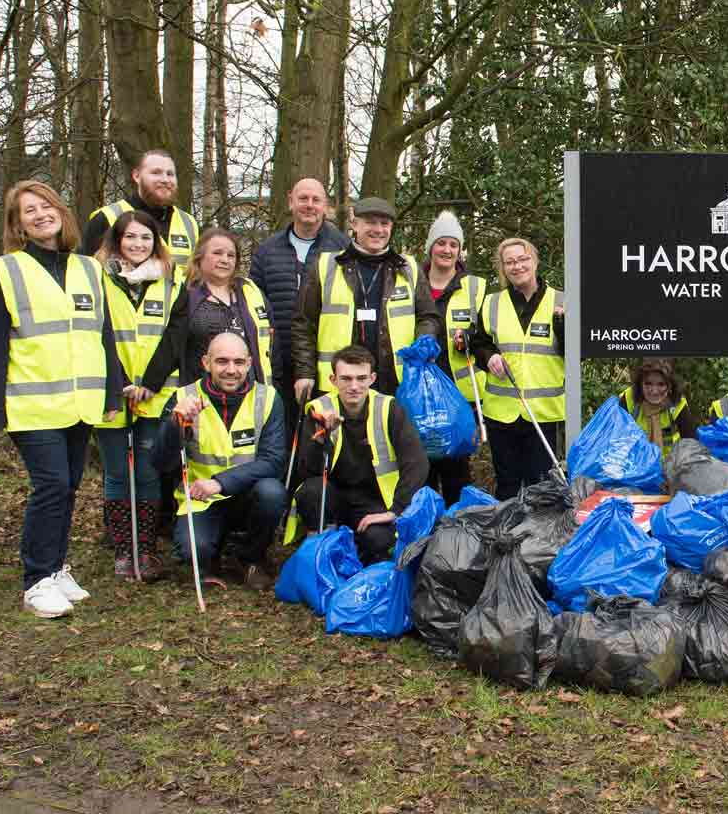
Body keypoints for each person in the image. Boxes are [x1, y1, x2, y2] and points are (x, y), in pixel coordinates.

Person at [0, 181, 125, 618]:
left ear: (61, 211)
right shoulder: (3, 272)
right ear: (17, 225)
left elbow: (104, 335)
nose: (41, 214)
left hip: (80, 403)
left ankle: (58, 567)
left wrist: (111, 391)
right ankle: (37, 579)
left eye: (47, 206)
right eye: (29, 210)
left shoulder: (88, 269)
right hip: (32, 404)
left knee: (70, 485)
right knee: (52, 486)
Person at [157, 333, 288, 590]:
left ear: (250, 363)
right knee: (193, 551)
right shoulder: (183, 397)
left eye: (239, 362)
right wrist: (174, 425)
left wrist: (220, 482)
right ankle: (210, 556)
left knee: (272, 492)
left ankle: (250, 558)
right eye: (222, 361)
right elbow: (161, 462)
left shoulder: (268, 398)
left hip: (247, 494)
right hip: (200, 500)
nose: (231, 370)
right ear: (206, 362)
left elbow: (273, 461)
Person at [94, 211, 182, 582]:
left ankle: (145, 549)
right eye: (130, 237)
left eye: (145, 238)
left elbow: (176, 335)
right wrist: (119, 382)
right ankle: (122, 550)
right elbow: (94, 332)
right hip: (109, 391)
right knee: (117, 474)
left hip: (155, 393)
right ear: (117, 241)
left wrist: (148, 381)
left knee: (146, 472)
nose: (138, 245)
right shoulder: (97, 280)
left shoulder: (171, 282)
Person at [291, 196, 439, 404]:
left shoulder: (409, 268)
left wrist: (423, 344)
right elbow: (303, 324)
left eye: (384, 223)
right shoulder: (325, 265)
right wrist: (304, 373)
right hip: (339, 383)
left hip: (396, 382)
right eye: (370, 222)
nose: (378, 229)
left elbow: (428, 317)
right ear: (354, 224)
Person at [293, 346, 431, 565]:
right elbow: (306, 472)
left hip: (374, 500)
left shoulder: (389, 408)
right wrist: (320, 440)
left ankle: (357, 550)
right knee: (312, 491)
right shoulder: (318, 409)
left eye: (361, 378)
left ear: (372, 378)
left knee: (379, 540)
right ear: (332, 379)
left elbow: (417, 463)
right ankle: (322, 547)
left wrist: (396, 510)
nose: (354, 386)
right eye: (346, 379)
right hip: (334, 498)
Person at [468, 237, 565, 500]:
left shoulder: (562, 300)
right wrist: (489, 358)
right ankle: (507, 538)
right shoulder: (492, 303)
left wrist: (562, 326)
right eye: (510, 262)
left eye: (523, 259)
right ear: (503, 268)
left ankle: (537, 540)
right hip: (501, 412)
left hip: (543, 413)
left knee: (541, 487)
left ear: (534, 262)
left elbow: (575, 351)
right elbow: (477, 342)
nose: (517, 266)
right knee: (507, 486)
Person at [248, 177, 348, 431]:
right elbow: (253, 301)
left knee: (322, 431)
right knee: (282, 429)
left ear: (325, 206)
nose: (309, 205)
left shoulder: (343, 249)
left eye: (316, 200)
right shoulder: (267, 250)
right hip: (278, 360)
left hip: (328, 361)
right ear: (291, 201)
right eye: (303, 198)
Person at [139, 228, 273, 394]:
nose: (225, 260)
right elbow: (172, 342)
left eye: (231, 255)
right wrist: (151, 383)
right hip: (200, 393)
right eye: (217, 253)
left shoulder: (250, 291)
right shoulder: (186, 292)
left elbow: (271, 342)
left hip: (248, 392)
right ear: (200, 257)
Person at [420, 210, 486, 502]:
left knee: (456, 469)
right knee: (421, 468)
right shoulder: (411, 282)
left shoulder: (475, 287)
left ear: (460, 250)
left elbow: (488, 333)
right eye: (441, 243)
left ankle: (455, 536)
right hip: (419, 393)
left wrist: (470, 337)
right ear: (430, 247)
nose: (447, 250)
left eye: (453, 245)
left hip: (459, 393)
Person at [81, 148, 201, 268]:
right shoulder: (107, 217)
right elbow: (86, 275)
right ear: (136, 176)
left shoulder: (188, 223)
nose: (165, 180)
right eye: (156, 173)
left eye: (170, 174)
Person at [618, 358, 699, 459]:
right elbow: (616, 439)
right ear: (640, 384)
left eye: (661, 384)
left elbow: (691, 444)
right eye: (648, 384)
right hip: (634, 463)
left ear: (669, 386)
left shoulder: (677, 403)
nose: (654, 391)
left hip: (670, 465)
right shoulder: (628, 399)